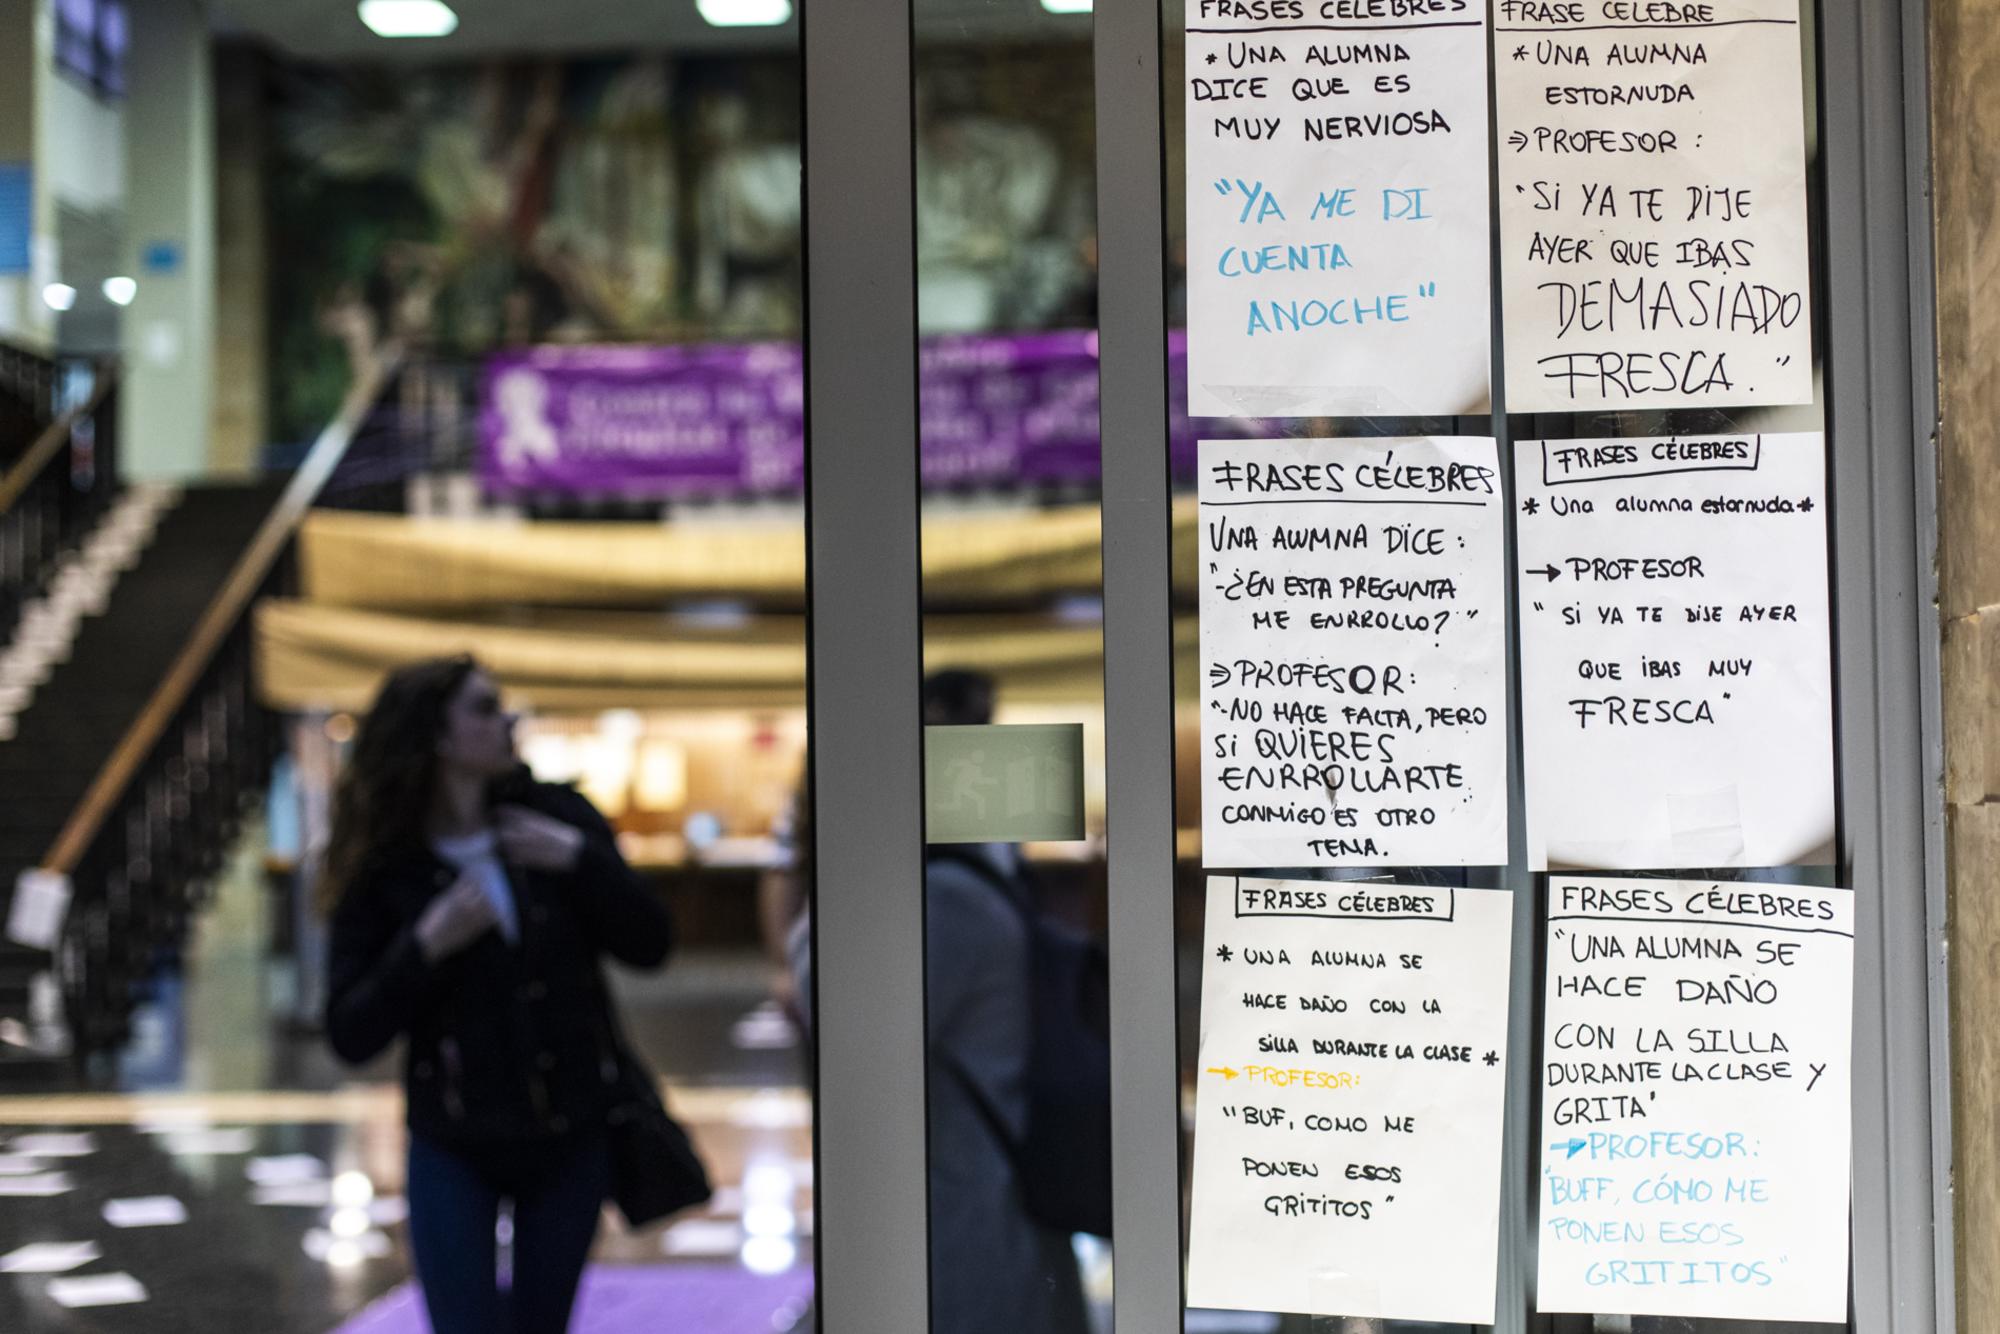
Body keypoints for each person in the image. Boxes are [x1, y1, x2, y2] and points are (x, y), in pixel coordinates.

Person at [320, 656, 673, 1334]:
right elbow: (349, 1030)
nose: (506, 719)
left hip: (571, 1134)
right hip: (455, 1142)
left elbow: (652, 943)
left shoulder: (555, 819)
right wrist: (425, 945)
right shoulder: (387, 863)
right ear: (436, 736)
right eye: (483, 708)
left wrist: (579, 860)